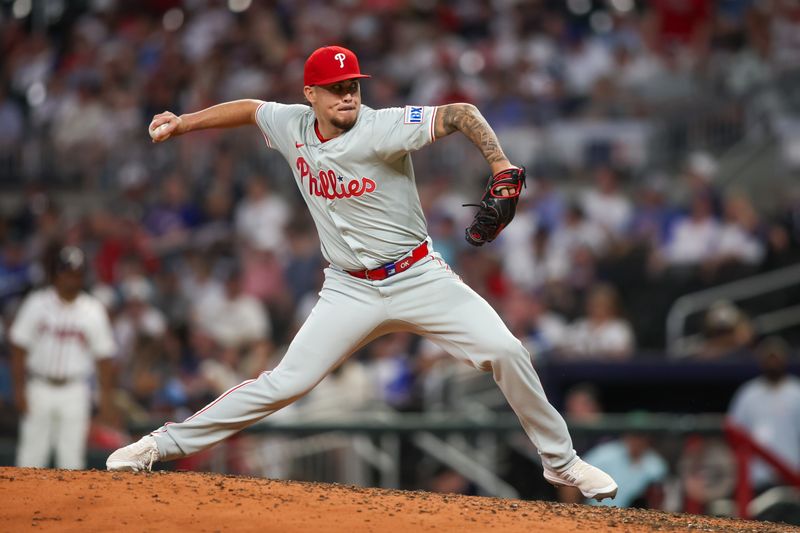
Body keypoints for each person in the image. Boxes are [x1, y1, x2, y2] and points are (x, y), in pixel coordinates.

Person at [106, 45, 617, 501]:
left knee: (506, 351)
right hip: (349, 288)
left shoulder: (382, 126)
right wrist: (184, 122)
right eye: (335, 89)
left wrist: (501, 166)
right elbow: (249, 109)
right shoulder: (291, 125)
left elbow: (461, 112)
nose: (347, 96)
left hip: (418, 277)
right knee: (285, 383)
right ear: (311, 94)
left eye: (352, 85)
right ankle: (159, 445)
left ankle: (562, 462)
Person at [10, 245, 117, 469]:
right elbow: (19, 346)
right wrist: (19, 388)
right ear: (56, 274)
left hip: (75, 390)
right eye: (67, 272)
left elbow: (104, 358)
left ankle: (67, 506)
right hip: (39, 385)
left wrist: (105, 400)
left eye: (76, 273)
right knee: (30, 458)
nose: (71, 279)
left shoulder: (92, 309)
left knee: (71, 460)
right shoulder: (37, 303)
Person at [728, 336, 800, 494]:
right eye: (769, 357)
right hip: (756, 477)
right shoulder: (748, 393)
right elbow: (734, 435)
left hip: (792, 476)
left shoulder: (797, 392)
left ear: (785, 359)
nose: (773, 361)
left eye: (776, 357)